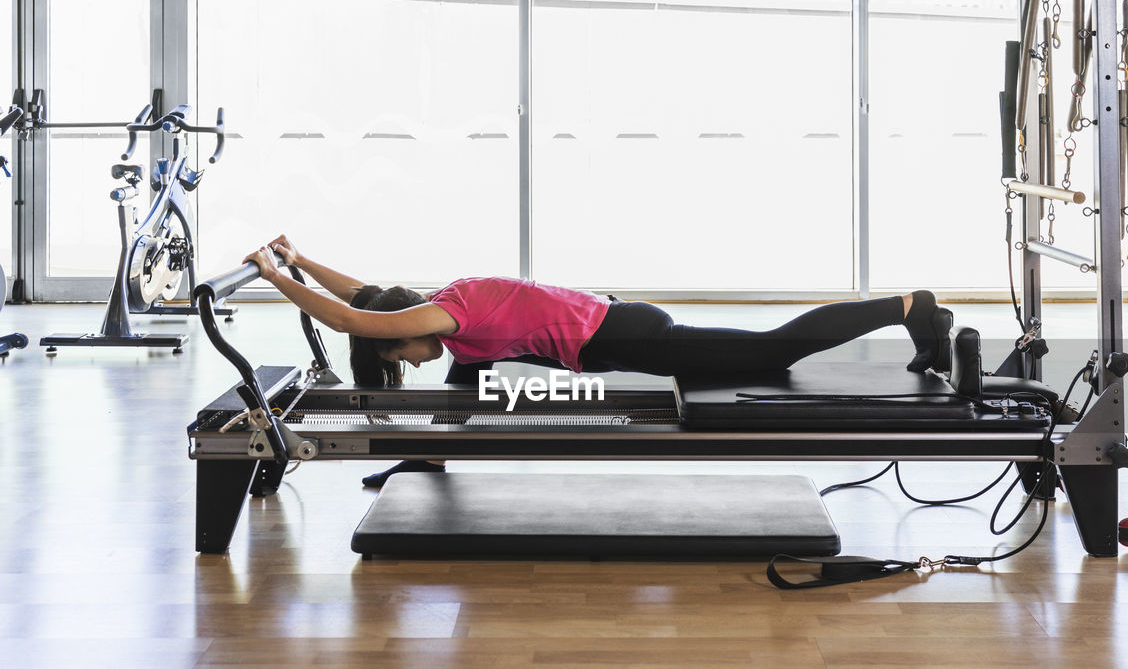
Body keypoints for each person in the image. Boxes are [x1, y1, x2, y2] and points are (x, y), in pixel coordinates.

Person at [243, 235, 952, 487]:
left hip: (628, 338)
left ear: (405, 328)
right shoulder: (443, 310)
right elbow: (361, 296)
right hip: (603, 330)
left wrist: (275, 278)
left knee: (774, 353)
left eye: (403, 355)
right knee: (465, 375)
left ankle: (908, 306)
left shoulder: (446, 315)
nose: (415, 360)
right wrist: (300, 258)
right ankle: (428, 458)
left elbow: (351, 318)